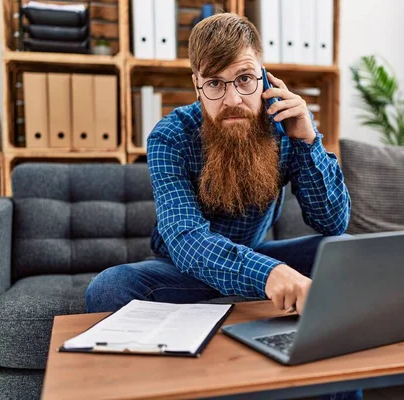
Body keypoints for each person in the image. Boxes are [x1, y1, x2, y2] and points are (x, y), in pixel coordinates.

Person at [85, 13, 360, 399]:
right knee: (108, 288)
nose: (232, 99)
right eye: (215, 83)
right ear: (196, 85)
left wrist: (307, 138)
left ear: (263, 76)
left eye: (244, 78)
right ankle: (252, 299)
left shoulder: (286, 123)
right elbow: (185, 239)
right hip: (184, 269)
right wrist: (270, 275)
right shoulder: (170, 136)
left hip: (253, 253)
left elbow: (332, 221)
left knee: (343, 251)